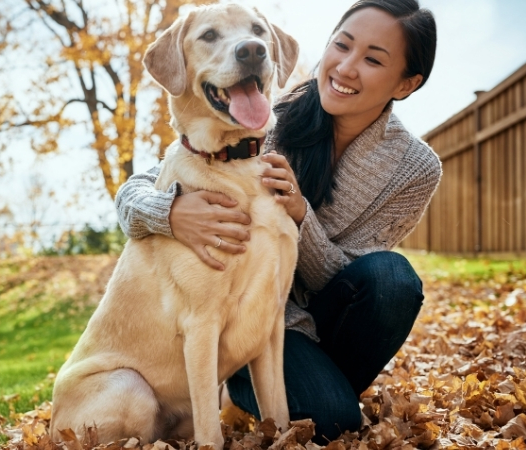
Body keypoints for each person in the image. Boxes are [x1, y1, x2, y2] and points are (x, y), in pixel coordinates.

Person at [114, 0, 441, 443]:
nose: (345, 68)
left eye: (372, 59)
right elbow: (141, 186)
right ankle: (305, 394)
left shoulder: (414, 168)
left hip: (331, 311)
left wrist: (299, 216)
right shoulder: (259, 114)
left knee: (392, 278)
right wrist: (169, 211)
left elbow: (350, 278)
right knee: (330, 421)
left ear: (406, 83)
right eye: (340, 46)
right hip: (256, 324)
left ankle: (326, 388)